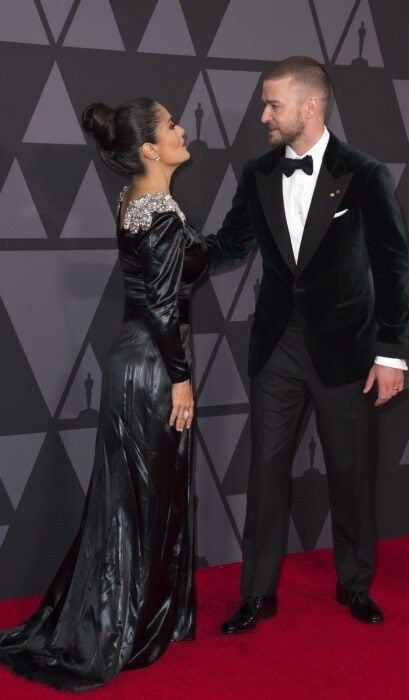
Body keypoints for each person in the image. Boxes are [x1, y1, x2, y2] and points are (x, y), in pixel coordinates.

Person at [0, 98, 208, 691]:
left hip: (130, 360)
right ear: (149, 148)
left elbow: (169, 278)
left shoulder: (137, 202)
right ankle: (127, 623)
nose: (181, 129)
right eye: (171, 125)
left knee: (132, 499)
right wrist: (182, 377)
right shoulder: (160, 214)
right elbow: (166, 310)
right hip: (152, 367)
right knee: (145, 497)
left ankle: (137, 613)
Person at [205, 56, 409, 634]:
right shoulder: (258, 172)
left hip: (347, 349)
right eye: (264, 104)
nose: (264, 114)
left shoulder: (364, 173)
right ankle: (256, 595)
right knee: (266, 470)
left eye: (274, 104)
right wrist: (174, 255)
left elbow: (394, 267)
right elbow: (229, 244)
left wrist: (392, 351)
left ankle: (354, 585)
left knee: (351, 473)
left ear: (311, 105)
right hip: (278, 349)